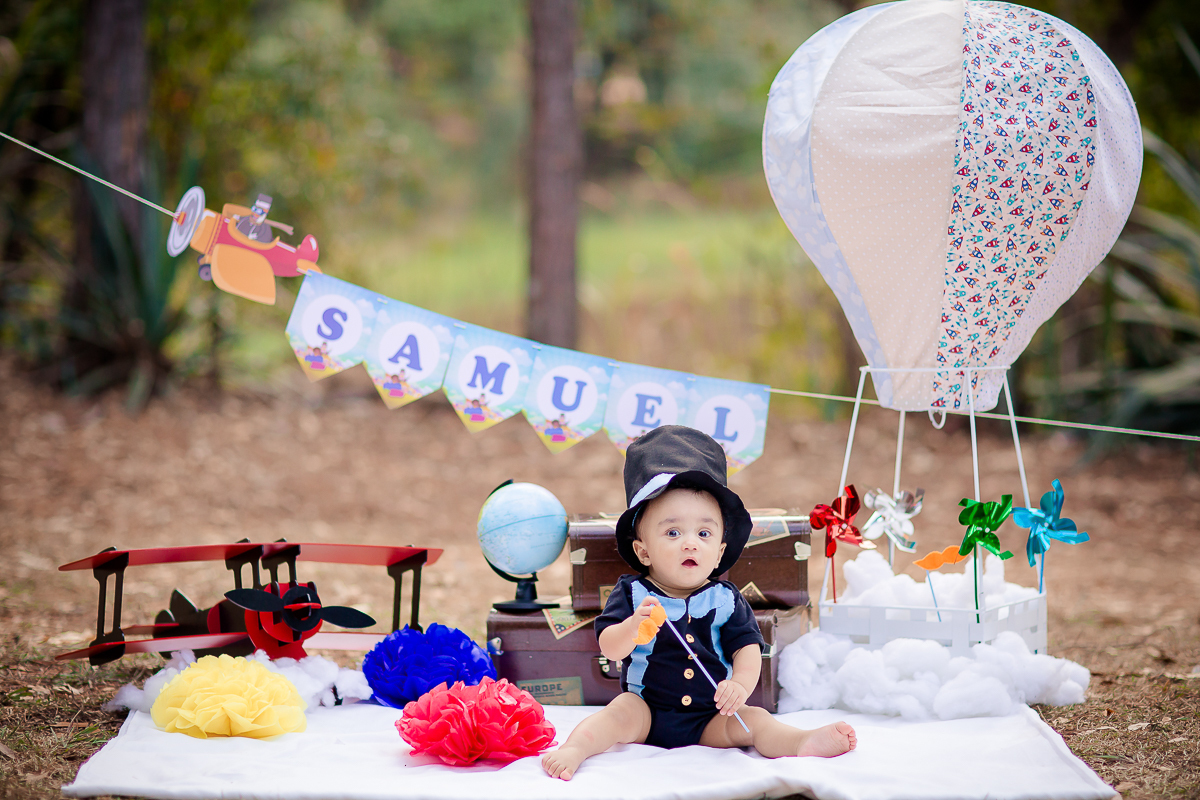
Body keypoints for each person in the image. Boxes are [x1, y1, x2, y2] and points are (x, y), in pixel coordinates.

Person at [542, 426, 856, 780]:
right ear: (643, 550)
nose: (690, 543)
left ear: (720, 550)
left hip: (710, 717)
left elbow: (747, 648)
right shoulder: (633, 593)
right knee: (616, 713)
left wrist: (740, 684)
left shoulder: (725, 598)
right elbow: (609, 647)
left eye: (704, 533)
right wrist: (633, 629)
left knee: (754, 721)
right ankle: (576, 748)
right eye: (673, 532)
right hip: (647, 712)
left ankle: (800, 742)